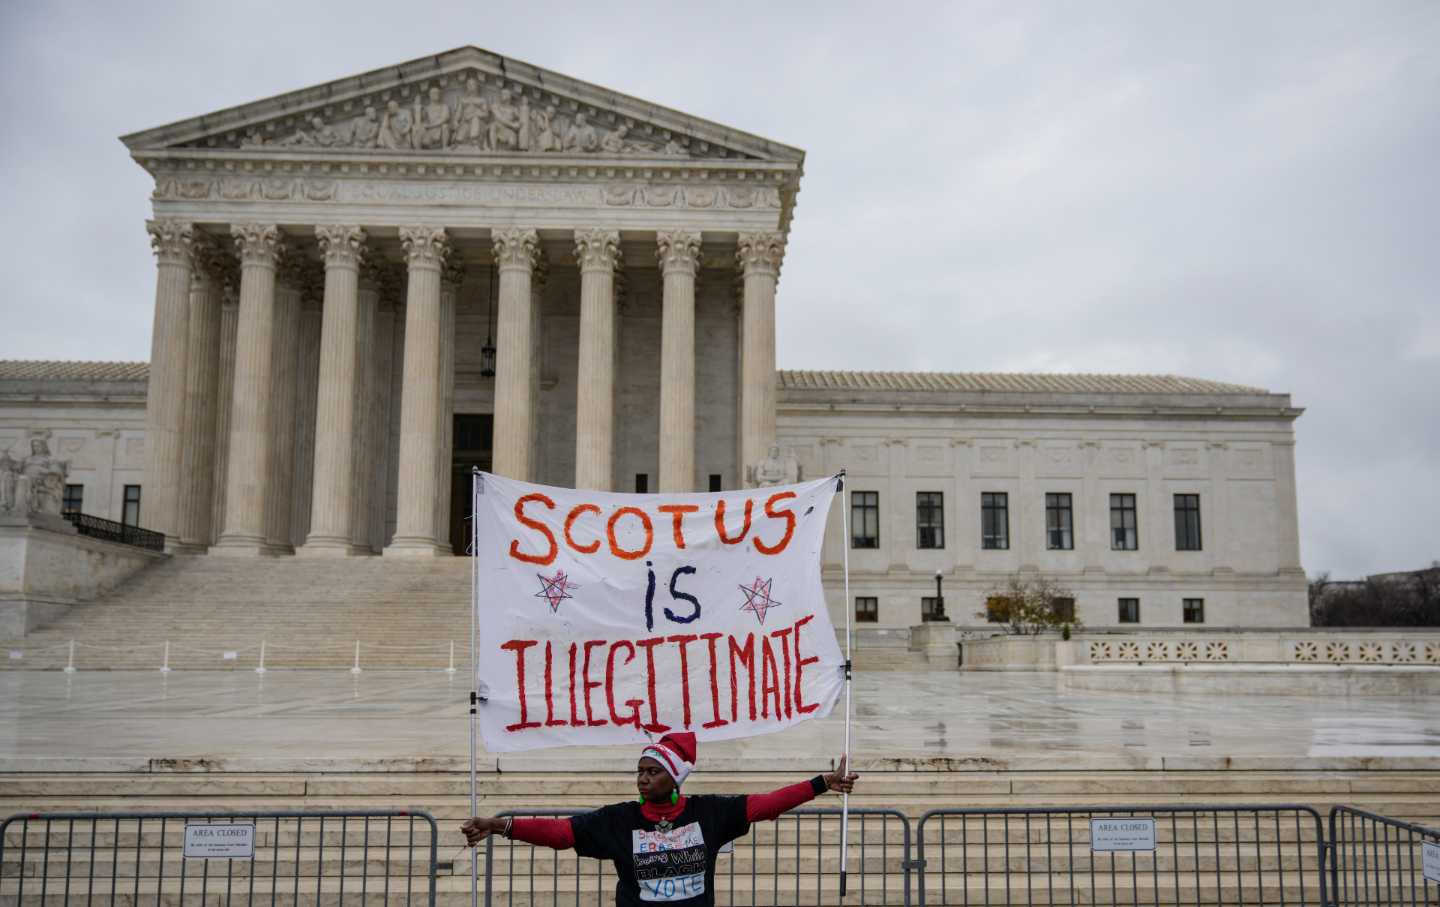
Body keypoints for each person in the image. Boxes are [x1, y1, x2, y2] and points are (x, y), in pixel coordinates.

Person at [462, 731, 859, 906]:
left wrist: (822, 782)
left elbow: (767, 804)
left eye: (653, 771)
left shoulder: (710, 813)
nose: (643, 778)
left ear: (675, 778)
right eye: (640, 770)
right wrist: (500, 825)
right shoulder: (619, 820)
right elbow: (562, 832)